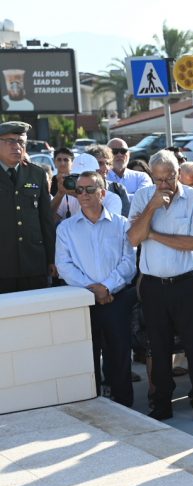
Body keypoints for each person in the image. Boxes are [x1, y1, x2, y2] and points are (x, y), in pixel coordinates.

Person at [128, 149, 193, 424]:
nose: (163, 184)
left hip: (187, 283)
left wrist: (153, 234)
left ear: (178, 173)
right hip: (154, 286)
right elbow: (133, 239)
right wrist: (152, 207)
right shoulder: (143, 197)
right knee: (159, 346)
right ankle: (162, 401)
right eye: (158, 179)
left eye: (168, 177)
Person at [55, 170, 136, 406]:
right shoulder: (66, 228)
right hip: (82, 301)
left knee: (119, 353)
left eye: (90, 189)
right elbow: (64, 265)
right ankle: (91, 404)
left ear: (102, 193)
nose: (83, 194)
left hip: (115, 299)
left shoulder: (122, 224)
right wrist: (92, 289)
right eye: (79, 190)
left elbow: (129, 262)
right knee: (86, 355)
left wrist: (107, 287)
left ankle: (123, 404)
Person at [0, 121, 55, 293]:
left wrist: (51, 258)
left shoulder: (37, 174)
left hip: (34, 263)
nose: (17, 147)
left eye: (21, 142)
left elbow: (46, 220)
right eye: (10, 141)